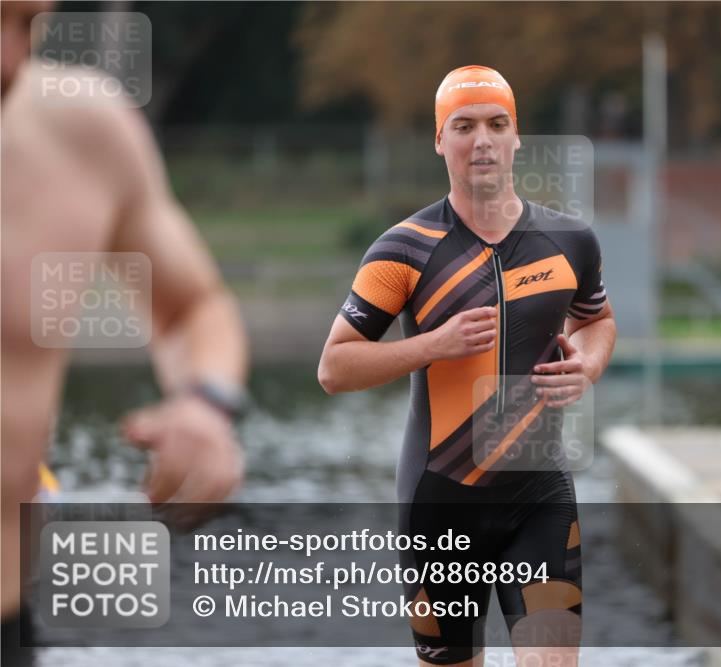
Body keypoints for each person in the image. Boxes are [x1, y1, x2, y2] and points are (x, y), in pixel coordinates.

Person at [318, 65, 616, 666]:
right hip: (439, 504)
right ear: (439, 140)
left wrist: (584, 365)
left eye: (495, 124)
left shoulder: (569, 240)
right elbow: (334, 367)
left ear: (516, 137)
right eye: (464, 126)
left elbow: (597, 322)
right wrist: (432, 344)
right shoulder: (402, 249)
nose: (481, 139)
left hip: (540, 495)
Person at [1, 3, 250, 663]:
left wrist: (205, 403)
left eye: (27, 25)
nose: (9, 59)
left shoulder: (84, 132)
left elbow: (191, 307)